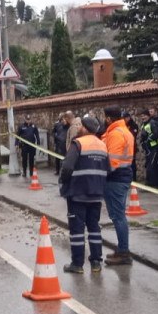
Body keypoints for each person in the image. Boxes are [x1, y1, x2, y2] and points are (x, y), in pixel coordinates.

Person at [59, 115, 110, 274]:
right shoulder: (102, 145)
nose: (79, 127)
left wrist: (63, 184)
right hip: (96, 194)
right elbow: (107, 169)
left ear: (85, 128)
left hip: (78, 193)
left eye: (81, 125)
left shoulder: (78, 143)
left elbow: (67, 167)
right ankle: (96, 262)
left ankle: (77, 264)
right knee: (94, 228)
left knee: (77, 230)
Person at [100, 106, 136, 266]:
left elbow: (112, 162)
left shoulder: (116, 133)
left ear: (108, 118)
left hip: (115, 179)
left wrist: (100, 174)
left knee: (118, 216)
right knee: (118, 215)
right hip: (122, 176)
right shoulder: (123, 131)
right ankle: (122, 249)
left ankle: (123, 252)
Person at [139, 108, 158, 187]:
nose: (143, 117)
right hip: (148, 149)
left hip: (155, 148)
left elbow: (156, 134)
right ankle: (150, 182)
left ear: (148, 116)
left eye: (144, 116)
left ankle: (155, 184)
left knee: (153, 165)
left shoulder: (152, 123)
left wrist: (148, 140)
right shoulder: (144, 124)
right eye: (141, 116)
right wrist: (143, 142)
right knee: (149, 165)